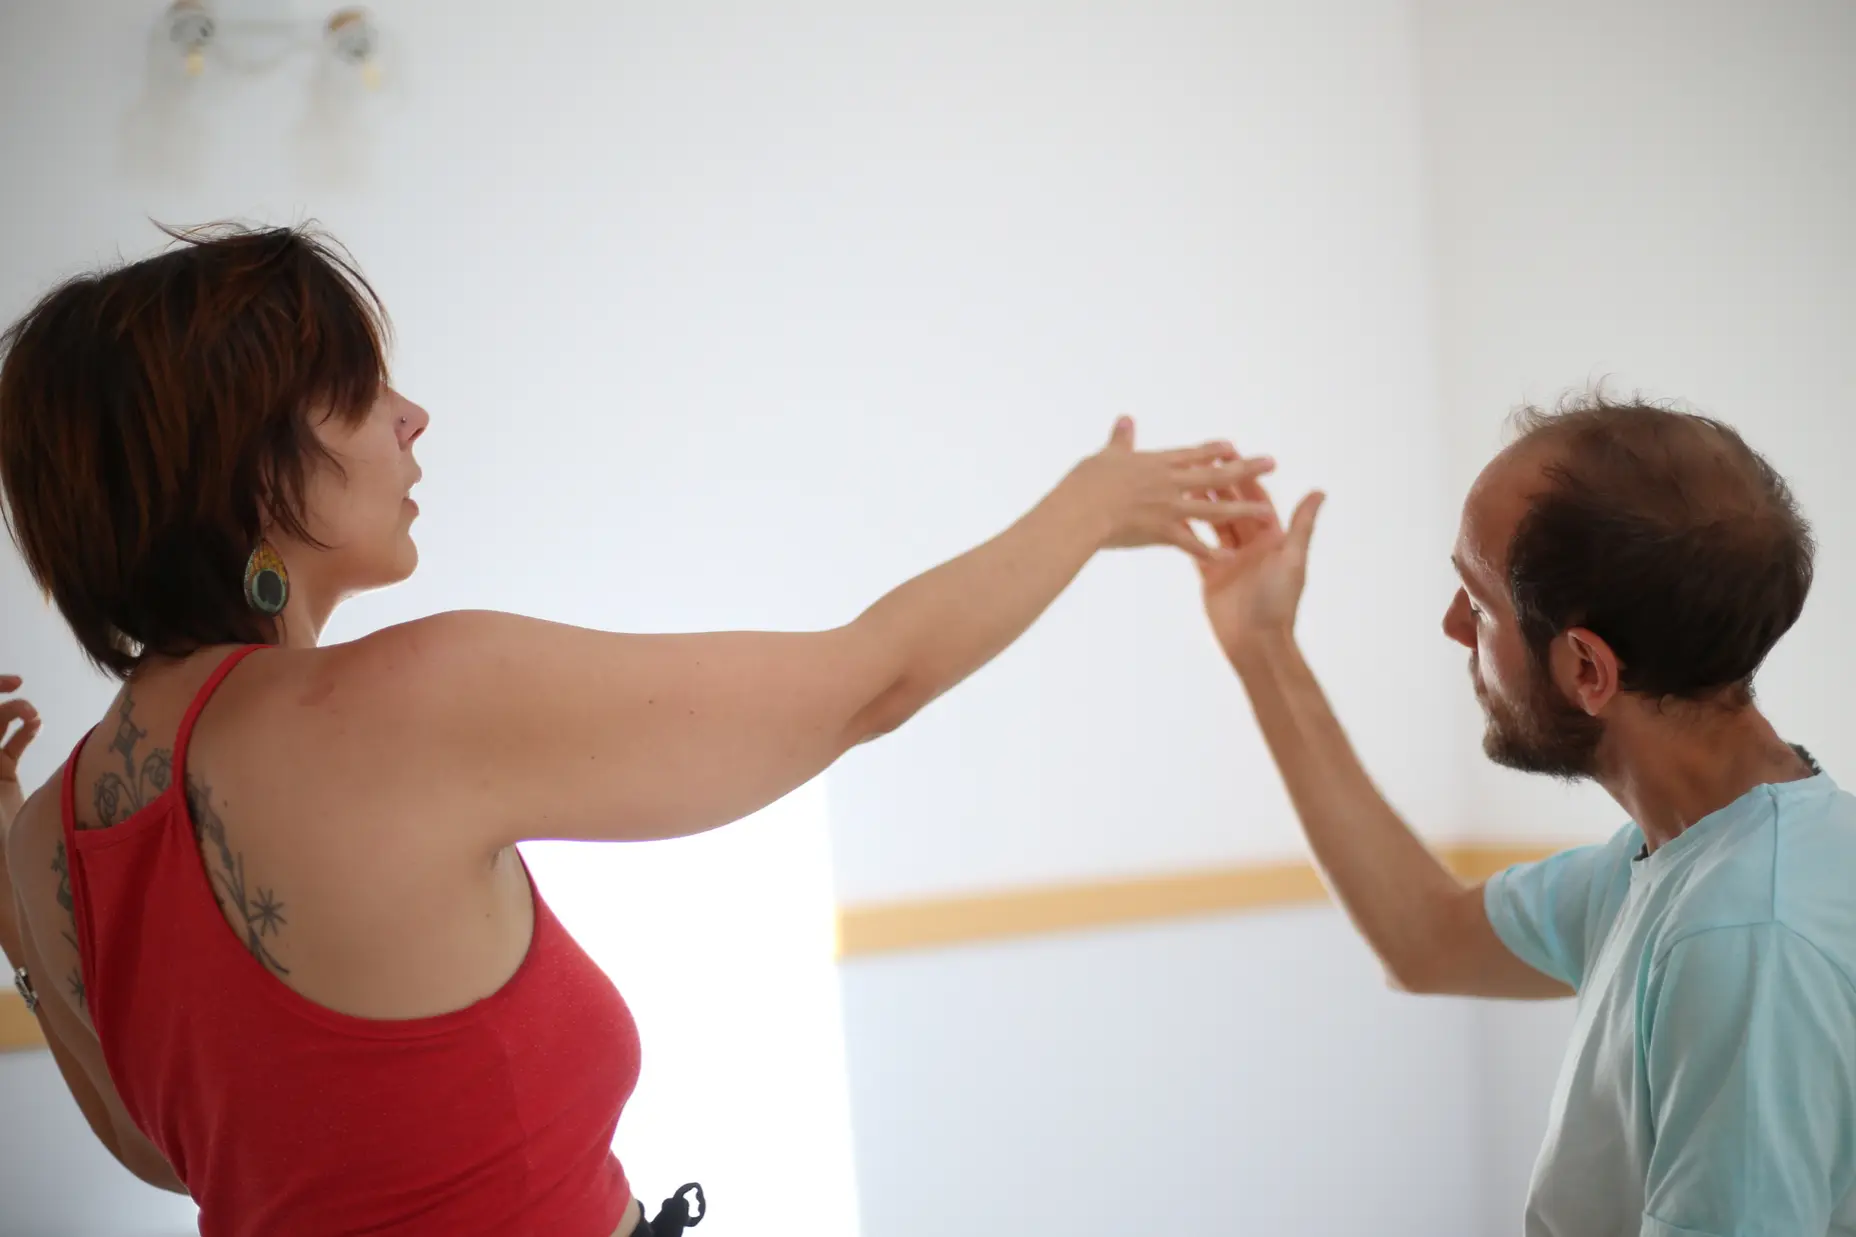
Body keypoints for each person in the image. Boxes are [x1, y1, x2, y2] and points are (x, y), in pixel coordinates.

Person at [0, 224, 1274, 1237]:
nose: (411, 416)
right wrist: (1090, 508)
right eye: (356, 387)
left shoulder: (45, 832)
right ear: (249, 465)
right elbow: (866, 683)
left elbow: (171, 1154)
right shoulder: (400, 705)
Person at [1197, 392, 1856, 1235]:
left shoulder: (1748, 936)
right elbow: (1425, 937)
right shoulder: (1683, 857)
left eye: (1476, 605)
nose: (1449, 625)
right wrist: (1263, 647)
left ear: (1587, 668)